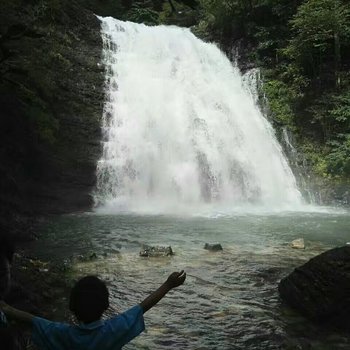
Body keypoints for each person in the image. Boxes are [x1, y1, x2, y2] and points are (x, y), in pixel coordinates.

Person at [0, 270, 186, 349]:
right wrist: (168, 284)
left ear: (71, 306)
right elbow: (143, 307)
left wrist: (6, 308)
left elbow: (33, 320)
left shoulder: (63, 334)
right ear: (106, 305)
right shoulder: (113, 331)